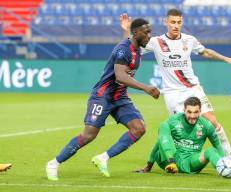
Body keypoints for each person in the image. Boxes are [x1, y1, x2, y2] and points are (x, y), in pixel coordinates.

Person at [120, 9, 231, 171]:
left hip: (193, 88)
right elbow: (130, 47)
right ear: (166, 22)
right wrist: (126, 30)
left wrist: (225, 58)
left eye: (179, 22)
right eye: (173, 22)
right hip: (172, 94)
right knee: (173, 130)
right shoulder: (156, 42)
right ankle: (153, 163)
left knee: (213, 122)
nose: (176, 25)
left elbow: (205, 51)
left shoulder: (189, 40)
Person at [46, 18, 160, 180]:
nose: (150, 35)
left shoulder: (136, 46)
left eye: (150, 31)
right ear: (136, 33)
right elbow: (120, 76)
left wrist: (125, 29)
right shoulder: (123, 50)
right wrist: (146, 88)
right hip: (103, 96)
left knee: (139, 128)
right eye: (146, 32)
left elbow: (129, 41)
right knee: (89, 135)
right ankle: (54, 163)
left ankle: (103, 158)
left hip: (120, 97)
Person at [136, 96, 227, 176]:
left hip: (191, 162)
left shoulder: (206, 126)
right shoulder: (174, 120)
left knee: (211, 151)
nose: (192, 115)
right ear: (184, 111)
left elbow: (218, 146)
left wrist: (227, 163)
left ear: (200, 111)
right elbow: (160, 141)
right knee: (163, 125)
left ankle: (224, 169)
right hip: (169, 160)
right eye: (189, 112)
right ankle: (172, 163)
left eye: (196, 112)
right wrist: (149, 165)